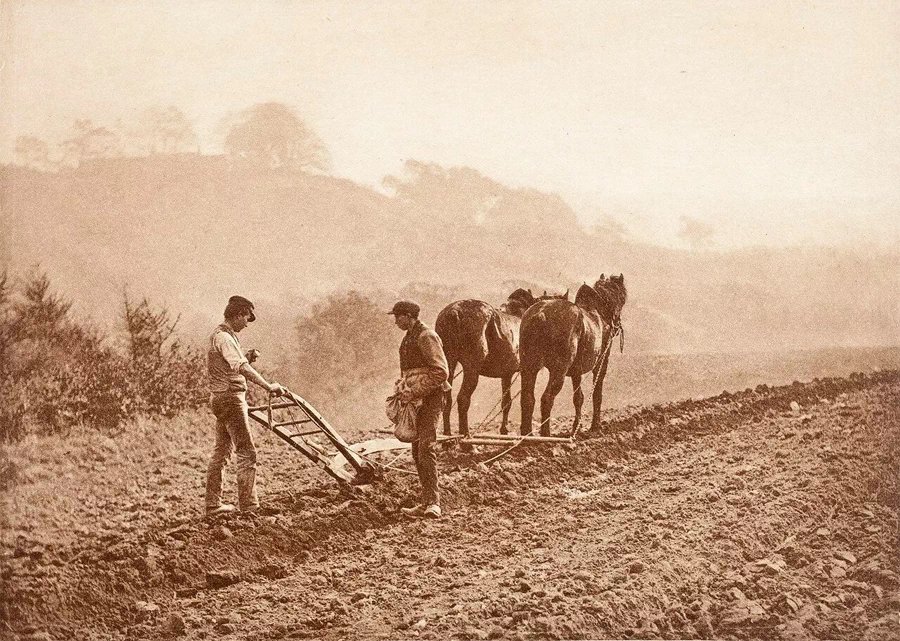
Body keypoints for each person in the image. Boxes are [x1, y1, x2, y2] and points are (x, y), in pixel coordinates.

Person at [205, 295, 285, 516]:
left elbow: (231, 364)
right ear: (238, 314)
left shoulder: (219, 336)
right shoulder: (225, 338)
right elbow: (239, 367)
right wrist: (268, 386)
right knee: (247, 452)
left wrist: (247, 356)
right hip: (231, 399)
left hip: (219, 398)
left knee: (221, 452)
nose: (247, 323)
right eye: (247, 318)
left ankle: (213, 505)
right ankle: (249, 507)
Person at [388, 300, 451, 519]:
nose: (396, 321)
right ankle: (425, 501)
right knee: (417, 450)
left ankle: (434, 503)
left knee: (426, 447)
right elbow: (410, 372)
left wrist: (415, 392)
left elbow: (441, 372)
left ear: (409, 316)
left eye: (398, 316)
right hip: (416, 401)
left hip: (431, 400)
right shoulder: (409, 339)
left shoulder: (426, 336)